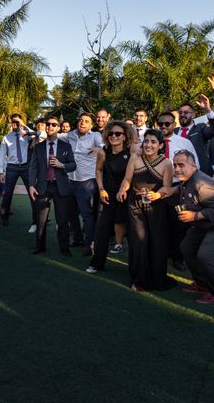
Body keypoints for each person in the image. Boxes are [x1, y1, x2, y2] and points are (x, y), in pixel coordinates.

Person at [170, 151, 214, 304]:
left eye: (181, 165)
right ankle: (201, 284)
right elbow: (184, 190)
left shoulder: (201, 184)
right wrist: (170, 191)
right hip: (204, 224)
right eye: (174, 165)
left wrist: (194, 216)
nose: (176, 169)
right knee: (186, 248)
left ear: (193, 165)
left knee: (206, 256)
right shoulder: (188, 178)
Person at [117, 129, 177, 292]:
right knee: (138, 240)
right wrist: (123, 189)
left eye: (153, 142)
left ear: (160, 145)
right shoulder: (135, 158)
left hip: (156, 206)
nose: (149, 145)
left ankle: (157, 277)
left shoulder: (166, 163)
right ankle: (139, 279)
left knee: (157, 242)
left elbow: (167, 187)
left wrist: (157, 194)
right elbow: (127, 179)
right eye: (146, 141)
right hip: (135, 204)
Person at [86, 120, 133, 273]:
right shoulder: (103, 152)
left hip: (126, 195)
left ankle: (136, 267)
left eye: (118, 133)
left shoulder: (131, 152)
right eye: (111, 133)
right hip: (107, 195)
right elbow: (98, 171)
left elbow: (130, 176)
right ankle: (97, 263)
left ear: (125, 136)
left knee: (132, 231)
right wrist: (101, 189)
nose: (114, 136)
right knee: (102, 230)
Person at [28, 116, 76, 256]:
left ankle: (64, 248)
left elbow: (73, 165)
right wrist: (31, 185)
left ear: (58, 128)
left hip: (60, 187)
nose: (50, 127)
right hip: (43, 187)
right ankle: (40, 246)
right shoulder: (38, 147)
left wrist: (62, 165)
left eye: (53, 125)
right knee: (41, 220)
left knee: (62, 220)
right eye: (47, 124)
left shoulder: (65, 146)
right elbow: (32, 168)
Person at [157, 111, 199, 271]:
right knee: (160, 224)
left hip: (177, 188)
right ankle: (162, 253)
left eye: (167, 123)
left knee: (178, 225)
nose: (163, 127)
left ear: (174, 125)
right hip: (157, 187)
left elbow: (195, 166)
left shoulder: (184, 142)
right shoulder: (153, 142)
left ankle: (178, 257)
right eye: (161, 124)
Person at [59, 113, 103, 256]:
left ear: (91, 125)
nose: (82, 123)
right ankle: (77, 238)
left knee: (87, 215)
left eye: (86, 121)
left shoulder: (95, 136)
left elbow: (105, 146)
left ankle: (89, 243)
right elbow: (55, 136)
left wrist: (100, 149)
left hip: (87, 182)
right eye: (80, 120)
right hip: (70, 180)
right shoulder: (70, 135)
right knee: (71, 213)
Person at [0, 114, 38, 229]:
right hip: (12, 167)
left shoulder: (27, 135)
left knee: (32, 193)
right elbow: (1, 154)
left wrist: (23, 124)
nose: (14, 124)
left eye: (17, 122)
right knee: (7, 194)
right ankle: (4, 219)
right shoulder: (6, 137)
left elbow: (37, 134)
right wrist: (1, 171)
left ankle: (36, 220)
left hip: (26, 167)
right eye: (13, 122)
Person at [175, 98, 214, 176]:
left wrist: (208, 110)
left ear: (193, 115)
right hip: (178, 174)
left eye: (186, 113)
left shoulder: (200, 128)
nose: (182, 115)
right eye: (180, 113)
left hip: (200, 174)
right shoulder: (174, 132)